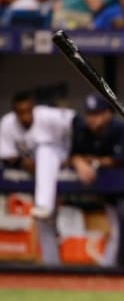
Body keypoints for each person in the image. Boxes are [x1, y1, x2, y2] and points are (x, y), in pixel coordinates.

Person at [0, 91, 76, 265]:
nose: (25, 116)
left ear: (34, 107)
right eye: (21, 112)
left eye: (28, 110)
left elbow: (77, 122)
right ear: (15, 112)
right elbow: (7, 155)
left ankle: (43, 204)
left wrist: (75, 155)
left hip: (61, 160)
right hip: (34, 174)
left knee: (45, 150)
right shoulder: (7, 123)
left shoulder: (47, 115)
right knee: (45, 222)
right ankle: (52, 267)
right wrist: (24, 163)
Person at [69, 93, 124, 266]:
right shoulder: (82, 129)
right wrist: (79, 161)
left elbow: (119, 160)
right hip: (110, 189)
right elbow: (74, 155)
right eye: (89, 114)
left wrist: (91, 161)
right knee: (118, 230)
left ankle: (119, 268)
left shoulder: (119, 128)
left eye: (96, 114)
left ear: (107, 114)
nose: (92, 119)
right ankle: (110, 269)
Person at [51, 0, 116, 30]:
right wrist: (57, 3)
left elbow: (95, 6)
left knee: (60, 17)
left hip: (90, 18)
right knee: (59, 17)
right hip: (66, 17)